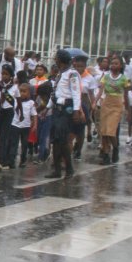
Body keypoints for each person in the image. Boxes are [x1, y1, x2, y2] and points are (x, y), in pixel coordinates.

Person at [46, 49, 84, 179]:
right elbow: (55, 93)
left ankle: (69, 168)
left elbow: (76, 93)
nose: (55, 60)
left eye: (56, 58)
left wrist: (76, 110)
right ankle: (57, 169)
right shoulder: (60, 74)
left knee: (62, 140)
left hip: (66, 108)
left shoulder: (72, 74)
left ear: (60, 59)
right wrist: (47, 108)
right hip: (57, 108)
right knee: (55, 140)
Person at [95, 56, 131, 164]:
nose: (113, 65)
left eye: (116, 63)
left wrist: (128, 110)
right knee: (104, 132)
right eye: (112, 63)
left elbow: (126, 95)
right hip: (106, 103)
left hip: (117, 105)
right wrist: (94, 102)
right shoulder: (105, 77)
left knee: (111, 131)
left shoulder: (125, 78)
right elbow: (100, 91)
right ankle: (106, 154)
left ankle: (115, 148)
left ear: (120, 66)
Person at [4, 83, 37, 169]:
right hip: (15, 125)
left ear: (29, 93)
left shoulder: (31, 103)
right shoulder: (15, 101)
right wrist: (4, 90)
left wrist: (35, 125)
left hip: (26, 127)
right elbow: (7, 97)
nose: (22, 93)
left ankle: (23, 160)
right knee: (13, 143)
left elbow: (34, 114)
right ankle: (11, 161)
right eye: (20, 91)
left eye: (24, 91)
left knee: (24, 144)